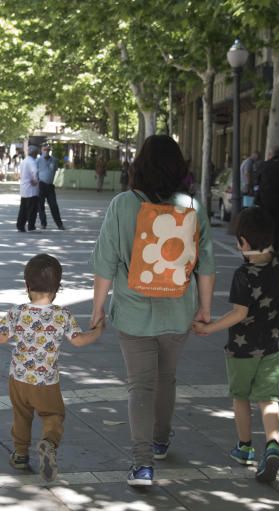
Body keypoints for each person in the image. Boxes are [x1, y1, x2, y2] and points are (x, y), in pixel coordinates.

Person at [90, 135, 216, 486]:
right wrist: (205, 310)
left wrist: (98, 309)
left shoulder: (121, 205)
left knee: (140, 386)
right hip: (177, 309)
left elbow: (105, 263)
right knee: (167, 378)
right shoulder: (192, 206)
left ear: (139, 166)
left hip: (132, 311)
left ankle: (143, 464)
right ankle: (161, 440)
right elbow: (206, 265)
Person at [0, 253, 103, 481]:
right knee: (53, 414)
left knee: (21, 416)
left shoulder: (17, 312)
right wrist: (98, 330)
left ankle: (21, 453)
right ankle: (48, 442)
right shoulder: (62, 315)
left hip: (19, 379)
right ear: (57, 288)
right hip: (46, 383)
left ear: (27, 285)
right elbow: (79, 340)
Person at [192, 207, 279, 483]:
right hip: (274, 344)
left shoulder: (243, 274)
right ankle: (272, 445)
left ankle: (245, 447)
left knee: (241, 397)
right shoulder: (278, 262)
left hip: (242, 349)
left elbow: (239, 313)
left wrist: (208, 327)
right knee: (269, 399)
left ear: (243, 242)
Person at [36, 144, 64, 230]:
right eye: (44, 150)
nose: (46, 151)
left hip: (50, 186)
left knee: (54, 205)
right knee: (40, 206)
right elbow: (35, 173)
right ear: (41, 150)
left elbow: (55, 170)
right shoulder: (38, 161)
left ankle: (59, 224)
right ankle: (43, 223)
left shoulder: (54, 160)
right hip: (41, 185)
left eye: (48, 150)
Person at [16, 144, 40, 232]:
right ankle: (31, 226)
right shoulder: (32, 161)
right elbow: (35, 171)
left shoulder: (24, 161)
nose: (37, 154)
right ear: (34, 153)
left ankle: (20, 225)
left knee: (23, 209)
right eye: (36, 153)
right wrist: (35, 180)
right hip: (31, 190)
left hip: (24, 188)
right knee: (32, 209)